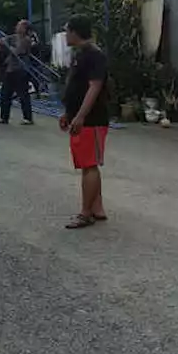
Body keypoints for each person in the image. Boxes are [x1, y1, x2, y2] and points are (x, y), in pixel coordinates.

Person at [60, 15, 110, 229]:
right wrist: (68, 113)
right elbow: (76, 87)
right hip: (80, 117)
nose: (65, 35)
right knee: (87, 164)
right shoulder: (80, 55)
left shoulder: (94, 55)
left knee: (89, 165)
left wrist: (80, 116)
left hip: (92, 119)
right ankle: (97, 207)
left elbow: (94, 86)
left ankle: (85, 213)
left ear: (74, 32)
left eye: (66, 30)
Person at [0, 19, 36, 126]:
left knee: (23, 94)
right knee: (5, 94)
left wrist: (6, 45)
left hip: (21, 69)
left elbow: (16, 51)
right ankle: (4, 117)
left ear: (24, 29)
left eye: (19, 25)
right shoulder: (13, 37)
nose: (17, 27)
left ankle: (28, 118)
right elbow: (1, 41)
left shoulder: (26, 40)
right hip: (10, 69)